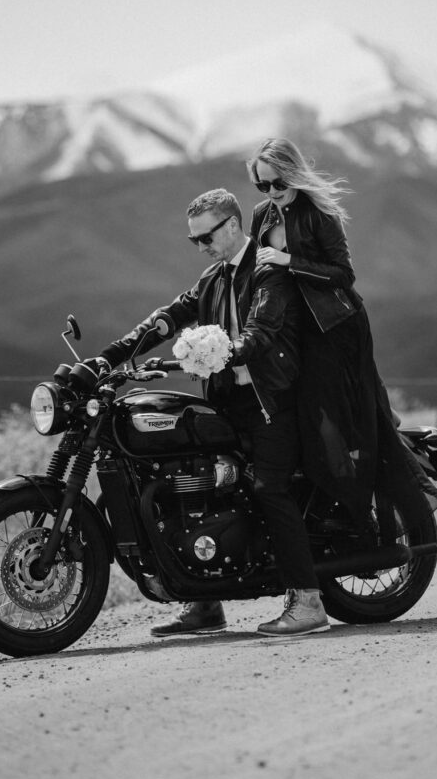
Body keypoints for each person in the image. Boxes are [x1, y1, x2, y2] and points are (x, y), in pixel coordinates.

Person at [97, 188, 330, 638]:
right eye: (193, 241)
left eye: (206, 237)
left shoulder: (266, 269)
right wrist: (109, 357)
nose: (200, 246)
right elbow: (166, 318)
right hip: (227, 402)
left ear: (232, 226)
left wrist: (221, 351)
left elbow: (263, 332)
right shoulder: (212, 278)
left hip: (270, 401)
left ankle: (308, 601)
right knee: (191, 483)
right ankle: (204, 604)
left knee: (268, 488)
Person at [247, 138, 437, 538]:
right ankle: (329, 500)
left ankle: (367, 502)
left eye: (277, 182)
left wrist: (291, 262)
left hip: (336, 328)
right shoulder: (261, 216)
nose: (271, 191)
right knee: (305, 416)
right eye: (262, 185)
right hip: (292, 331)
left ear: (293, 173)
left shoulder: (320, 213)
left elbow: (343, 274)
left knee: (333, 416)